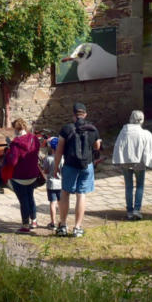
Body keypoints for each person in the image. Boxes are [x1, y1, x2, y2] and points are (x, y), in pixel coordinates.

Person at [53, 101, 100, 238]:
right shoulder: (92, 129)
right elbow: (97, 146)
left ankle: (62, 225)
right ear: (85, 114)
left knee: (65, 194)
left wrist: (56, 167)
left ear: (73, 115)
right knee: (81, 194)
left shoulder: (66, 129)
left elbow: (59, 151)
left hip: (70, 165)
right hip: (87, 165)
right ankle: (77, 228)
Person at [110, 109, 152, 221]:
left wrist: (118, 160)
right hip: (139, 163)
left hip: (126, 162)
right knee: (140, 185)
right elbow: (150, 148)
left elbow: (118, 145)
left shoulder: (124, 131)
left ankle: (129, 211)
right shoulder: (145, 134)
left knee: (129, 186)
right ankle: (137, 209)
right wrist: (147, 160)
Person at [1, 119, 43, 234]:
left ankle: (25, 224)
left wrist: (9, 151)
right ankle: (34, 221)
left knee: (23, 200)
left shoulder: (15, 143)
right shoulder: (34, 138)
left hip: (20, 177)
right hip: (33, 174)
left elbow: (13, 161)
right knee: (30, 197)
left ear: (15, 129)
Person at [38, 135, 63, 230]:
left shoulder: (48, 159)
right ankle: (62, 221)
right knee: (61, 203)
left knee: (53, 203)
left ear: (51, 148)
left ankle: (53, 223)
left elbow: (45, 171)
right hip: (61, 184)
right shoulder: (63, 158)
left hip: (51, 184)